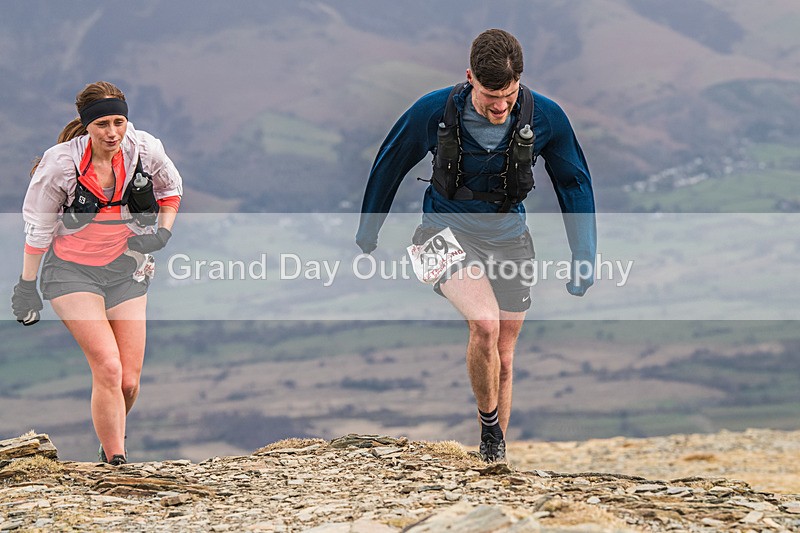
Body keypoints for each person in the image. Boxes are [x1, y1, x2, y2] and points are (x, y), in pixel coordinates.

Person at [356, 29, 596, 462]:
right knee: (483, 323)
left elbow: (574, 182)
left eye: (508, 95)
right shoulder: (433, 111)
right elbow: (389, 162)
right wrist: (368, 228)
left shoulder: (547, 117)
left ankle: (494, 459)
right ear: (470, 78)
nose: (499, 106)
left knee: (504, 352)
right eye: (489, 96)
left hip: (509, 238)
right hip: (437, 235)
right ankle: (489, 432)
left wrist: (585, 255)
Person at [11, 81, 183, 465]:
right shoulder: (60, 164)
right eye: (102, 124)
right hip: (71, 272)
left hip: (128, 269)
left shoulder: (144, 149)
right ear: (86, 125)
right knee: (107, 365)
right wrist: (26, 287)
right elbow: (38, 228)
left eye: (119, 122)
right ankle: (117, 461)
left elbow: (171, 189)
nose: (112, 132)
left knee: (128, 381)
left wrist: (162, 235)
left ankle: (109, 446)